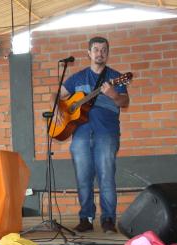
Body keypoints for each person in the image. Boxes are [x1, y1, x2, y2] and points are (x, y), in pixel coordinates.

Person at [55, 37, 130, 233]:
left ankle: (108, 220)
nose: (100, 53)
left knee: (106, 176)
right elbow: (58, 96)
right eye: (96, 49)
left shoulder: (116, 77)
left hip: (107, 133)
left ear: (108, 53)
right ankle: (86, 218)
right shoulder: (77, 78)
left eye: (104, 49)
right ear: (89, 53)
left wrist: (113, 94)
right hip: (80, 134)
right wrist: (63, 110)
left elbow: (124, 102)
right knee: (83, 178)